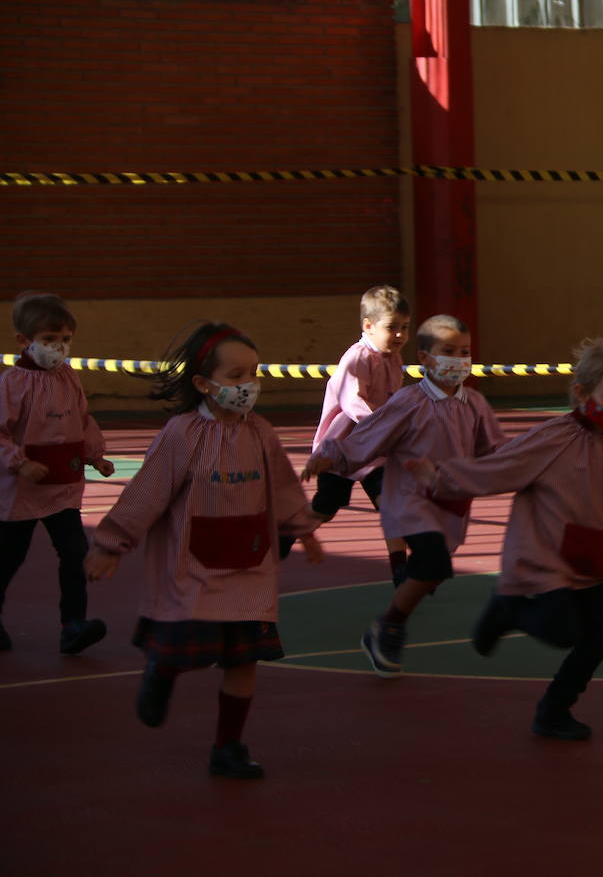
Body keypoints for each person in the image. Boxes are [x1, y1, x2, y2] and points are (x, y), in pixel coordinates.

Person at [85, 322, 324, 779]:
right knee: (180, 651)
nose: (247, 386)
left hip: (250, 567)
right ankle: (162, 671)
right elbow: (146, 494)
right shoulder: (182, 435)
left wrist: (302, 527)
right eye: (235, 377)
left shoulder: (261, 433)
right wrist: (110, 545)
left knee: (244, 659)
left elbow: (284, 486)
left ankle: (228, 746)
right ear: (203, 383)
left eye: (253, 375)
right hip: (192, 567)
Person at [407, 340, 603, 741]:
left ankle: (554, 711)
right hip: (548, 558)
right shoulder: (553, 438)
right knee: (563, 632)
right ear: (581, 392)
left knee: (596, 644)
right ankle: (507, 611)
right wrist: (441, 479)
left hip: (594, 562)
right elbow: (498, 469)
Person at [302, 314, 506, 677]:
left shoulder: (474, 405)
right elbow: (369, 437)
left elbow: (495, 451)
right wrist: (330, 454)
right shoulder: (409, 402)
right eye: (448, 351)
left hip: (450, 504)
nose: (458, 359)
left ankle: (392, 614)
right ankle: (389, 626)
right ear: (426, 359)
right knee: (434, 563)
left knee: (433, 570)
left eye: (464, 352)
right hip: (408, 501)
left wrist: (531, 464)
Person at [0, 292, 114, 654]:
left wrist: (95, 455)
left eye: (65, 340)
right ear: (24, 340)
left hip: (63, 487)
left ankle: (73, 625)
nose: (58, 347)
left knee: (74, 552)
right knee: (8, 558)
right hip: (23, 491)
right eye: (49, 340)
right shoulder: (12, 384)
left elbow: (81, 420)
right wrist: (20, 462)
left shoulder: (69, 377)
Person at [308, 285, 411, 585]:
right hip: (342, 448)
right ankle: (285, 537)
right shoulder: (356, 359)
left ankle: (400, 572)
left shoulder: (394, 359)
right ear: (369, 325)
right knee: (326, 508)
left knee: (389, 505)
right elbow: (354, 404)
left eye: (405, 328)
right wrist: (385, 427)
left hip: (373, 452)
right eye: (392, 328)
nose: (400, 335)